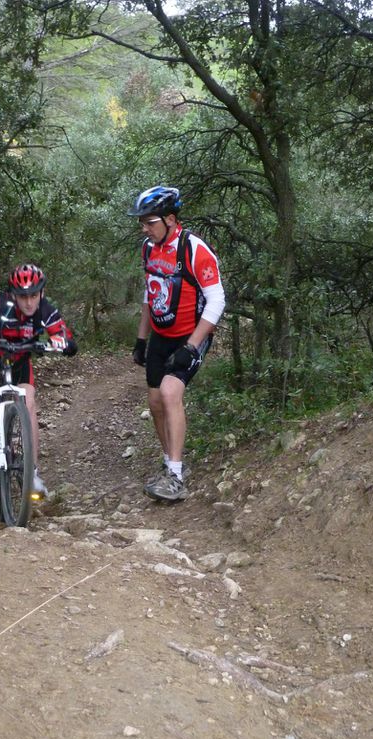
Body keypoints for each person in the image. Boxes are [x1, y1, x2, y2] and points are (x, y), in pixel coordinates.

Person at [128, 186, 225, 502]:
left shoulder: (194, 249)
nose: (144, 227)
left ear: (170, 219)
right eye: (142, 222)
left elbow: (217, 300)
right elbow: (150, 293)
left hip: (190, 336)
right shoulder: (148, 248)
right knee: (155, 403)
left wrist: (192, 345)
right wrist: (142, 339)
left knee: (170, 394)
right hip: (160, 336)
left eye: (150, 221)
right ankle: (171, 460)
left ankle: (176, 476)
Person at [0, 263, 77, 497]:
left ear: (42, 292)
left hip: (19, 359)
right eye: (22, 297)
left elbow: (64, 335)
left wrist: (62, 343)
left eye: (33, 295)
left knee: (29, 402)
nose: (29, 302)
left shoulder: (45, 310)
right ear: (13, 295)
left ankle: (32, 473)